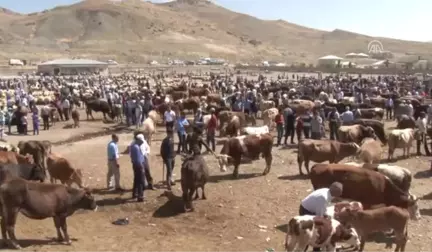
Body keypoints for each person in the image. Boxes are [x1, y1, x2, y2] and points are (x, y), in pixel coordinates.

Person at [299, 182, 344, 252]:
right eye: (339, 193)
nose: (340, 195)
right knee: (311, 232)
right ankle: (306, 249)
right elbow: (320, 217)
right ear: (336, 193)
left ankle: (316, 249)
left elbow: (324, 207)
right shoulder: (323, 198)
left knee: (317, 231)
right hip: (306, 210)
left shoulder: (326, 191)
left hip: (309, 208)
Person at [130, 135, 145, 202]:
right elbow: (138, 159)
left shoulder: (133, 146)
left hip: (135, 165)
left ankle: (134, 194)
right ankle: (140, 196)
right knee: (140, 181)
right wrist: (142, 167)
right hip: (139, 165)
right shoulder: (136, 147)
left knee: (136, 180)